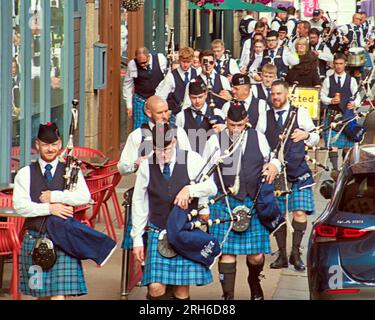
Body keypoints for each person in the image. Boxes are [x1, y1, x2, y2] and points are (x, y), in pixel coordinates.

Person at [131, 123, 217, 300]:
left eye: (167, 149)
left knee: (181, 290)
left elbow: (211, 187)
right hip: (158, 230)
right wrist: (137, 239)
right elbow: (139, 203)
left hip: (184, 231)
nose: (163, 154)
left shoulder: (191, 159)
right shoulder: (147, 166)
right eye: (158, 149)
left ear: (175, 141)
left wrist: (189, 190)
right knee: (155, 288)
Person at [203, 104, 280, 300]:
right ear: (226, 122)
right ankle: (228, 296)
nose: (235, 129)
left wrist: (273, 165)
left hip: (252, 201)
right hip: (224, 201)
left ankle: (254, 282)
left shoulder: (257, 137)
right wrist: (205, 204)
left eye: (239, 125)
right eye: (231, 125)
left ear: (246, 122)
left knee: (256, 255)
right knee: (227, 254)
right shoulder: (215, 141)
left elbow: (272, 158)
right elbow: (205, 175)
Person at [13, 123, 91, 300]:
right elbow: (20, 206)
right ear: (37, 145)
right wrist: (50, 208)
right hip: (35, 241)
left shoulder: (71, 171)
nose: (50, 148)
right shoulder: (25, 174)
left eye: (54, 144)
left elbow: (83, 197)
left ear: (60, 144)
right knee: (40, 295)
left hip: (63, 240)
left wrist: (56, 196)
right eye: (46, 144)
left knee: (58, 296)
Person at [256, 80, 320, 272]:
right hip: (275, 175)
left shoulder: (299, 113)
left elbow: (316, 136)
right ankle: (282, 254)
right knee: (279, 215)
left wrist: (306, 136)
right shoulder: (264, 117)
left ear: (286, 94)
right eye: (273, 94)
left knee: (299, 212)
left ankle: (296, 253)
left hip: (299, 172)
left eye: (279, 94)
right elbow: (258, 143)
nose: (275, 97)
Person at [320, 53, 361, 180]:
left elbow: (357, 95)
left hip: (347, 117)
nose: (338, 66)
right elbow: (322, 96)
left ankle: (345, 168)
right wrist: (330, 101)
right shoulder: (328, 80)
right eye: (336, 64)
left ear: (345, 64)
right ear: (333, 64)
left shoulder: (352, 80)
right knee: (333, 144)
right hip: (333, 116)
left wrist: (355, 103)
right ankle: (335, 169)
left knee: (347, 146)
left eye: (341, 64)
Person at [175, 80, 225, 155]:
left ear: (206, 95)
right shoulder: (181, 116)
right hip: (191, 160)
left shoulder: (217, 113)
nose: (197, 101)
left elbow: (223, 140)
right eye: (193, 98)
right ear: (189, 96)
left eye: (200, 97)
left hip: (211, 158)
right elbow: (178, 141)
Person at [122, 47, 167, 130]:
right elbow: (128, 85)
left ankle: (160, 142)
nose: (142, 65)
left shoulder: (160, 59)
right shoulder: (132, 64)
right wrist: (129, 105)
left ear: (148, 56)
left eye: (144, 62)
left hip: (157, 99)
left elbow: (165, 80)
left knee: (159, 125)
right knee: (140, 128)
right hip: (140, 99)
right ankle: (140, 142)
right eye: (140, 63)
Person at [155, 47, 197, 119]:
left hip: (193, 115)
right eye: (183, 62)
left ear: (192, 60)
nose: (185, 65)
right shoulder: (171, 76)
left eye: (188, 62)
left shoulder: (197, 73)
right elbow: (162, 97)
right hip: (175, 115)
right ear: (179, 60)